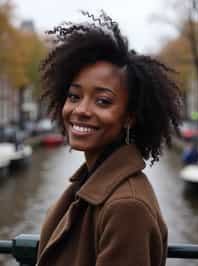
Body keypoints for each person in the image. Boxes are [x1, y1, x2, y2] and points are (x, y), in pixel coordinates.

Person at [37, 11, 182, 266]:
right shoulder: (90, 181)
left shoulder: (127, 207)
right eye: (74, 96)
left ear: (129, 117)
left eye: (102, 101)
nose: (81, 110)